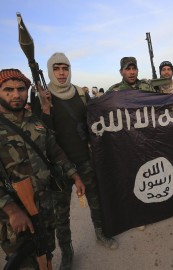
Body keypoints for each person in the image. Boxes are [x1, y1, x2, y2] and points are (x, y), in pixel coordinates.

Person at [34, 52, 118, 270]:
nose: (62, 73)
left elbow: (95, 122)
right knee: (61, 215)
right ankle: (67, 252)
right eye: (57, 68)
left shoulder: (81, 94)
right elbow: (40, 135)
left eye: (65, 68)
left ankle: (101, 233)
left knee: (95, 201)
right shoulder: (41, 97)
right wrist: (44, 108)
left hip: (85, 161)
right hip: (58, 167)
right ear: (51, 71)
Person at [0, 68, 85, 269]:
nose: (15, 94)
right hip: (16, 217)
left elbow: (54, 151)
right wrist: (12, 210)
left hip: (44, 208)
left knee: (45, 254)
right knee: (25, 261)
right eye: (8, 89)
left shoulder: (35, 122)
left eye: (21, 89)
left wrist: (75, 176)